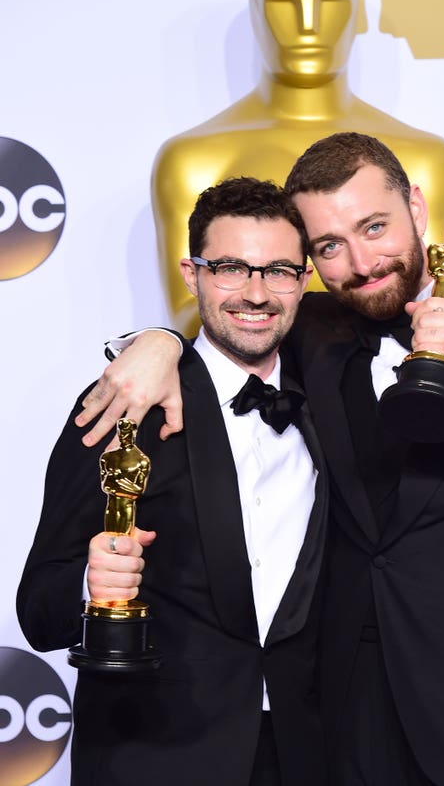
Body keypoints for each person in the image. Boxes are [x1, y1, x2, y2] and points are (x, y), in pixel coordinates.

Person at [75, 133, 444, 786]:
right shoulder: (313, 328)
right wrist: (155, 340)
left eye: (374, 226)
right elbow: (233, 318)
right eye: (328, 247)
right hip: (334, 715)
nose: (359, 262)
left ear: (415, 202)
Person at [17, 178, 329, 786]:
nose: (257, 293)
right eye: (231, 268)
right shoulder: (127, 403)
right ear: (192, 273)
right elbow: (38, 610)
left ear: (305, 278)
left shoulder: (330, 394)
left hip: (305, 751)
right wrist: (92, 585)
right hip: (154, 756)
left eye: (280, 271)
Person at [151, 0, 444, 335]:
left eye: (329, 1)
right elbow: (193, 318)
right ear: (256, 8)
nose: (308, 23)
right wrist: (156, 342)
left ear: (355, 10)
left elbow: (431, 303)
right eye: (283, 1)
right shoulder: (193, 158)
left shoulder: (426, 156)